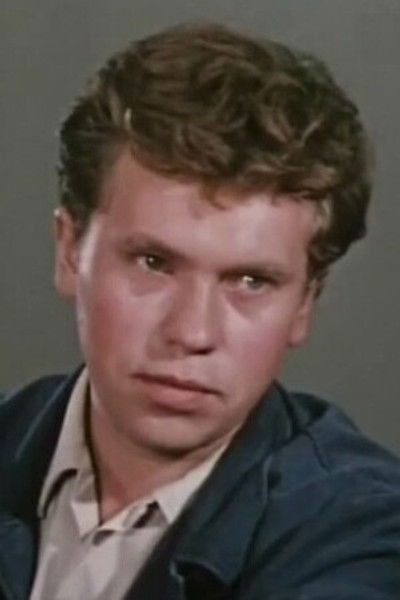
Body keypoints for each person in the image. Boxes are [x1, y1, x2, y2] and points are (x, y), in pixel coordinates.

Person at [1, 22, 400, 600]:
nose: (191, 332)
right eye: (154, 263)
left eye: (251, 281)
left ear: (305, 303)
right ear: (69, 251)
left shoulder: (360, 535)